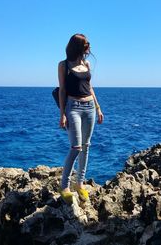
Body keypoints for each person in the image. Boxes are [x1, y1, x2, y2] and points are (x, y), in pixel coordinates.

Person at [57, 33, 104, 204]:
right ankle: (64, 186)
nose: (88, 47)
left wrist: (98, 108)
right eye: (85, 44)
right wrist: (62, 114)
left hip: (90, 107)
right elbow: (62, 90)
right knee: (76, 147)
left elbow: (90, 87)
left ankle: (80, 183)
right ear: (77, 46)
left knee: (86, 146)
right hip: (73, 108)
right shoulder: (64, 65)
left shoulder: (86, 63)